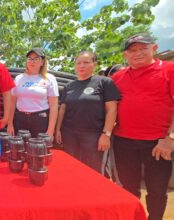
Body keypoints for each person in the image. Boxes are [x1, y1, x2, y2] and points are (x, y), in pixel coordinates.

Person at [111, 33, 174, 220]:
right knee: (128, 189)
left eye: (143, 48)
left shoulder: (169, 70)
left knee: (156, 191)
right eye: (132, 50)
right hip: (124, 141)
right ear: (125, 55)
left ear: (154, 48)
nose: (137, 53)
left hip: (158, 144)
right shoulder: (117, 78)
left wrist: (170, 139)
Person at [55, 51, 120, 173]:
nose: (81, 66)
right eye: (78, 63)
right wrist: (58, 130)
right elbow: (62, 109)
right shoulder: (69, 86)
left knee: (93, 169)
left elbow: (112, 109)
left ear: (95, 64)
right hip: (69, 134)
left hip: (93, 135)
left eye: (86, 62)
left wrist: (106, 134)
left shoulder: (104, 82)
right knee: (71, 167)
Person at [7, 47, 59, 138]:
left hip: (40, 120)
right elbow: (12, 102)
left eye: (36, 59)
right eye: (30, 59)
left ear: (42, 62)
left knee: (38, 149)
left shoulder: (49, 78)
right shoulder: (19, 78)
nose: (32, 61)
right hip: (20, 119)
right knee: (19, 149)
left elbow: (54, 106)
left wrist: (50, 130)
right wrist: (10, 124)